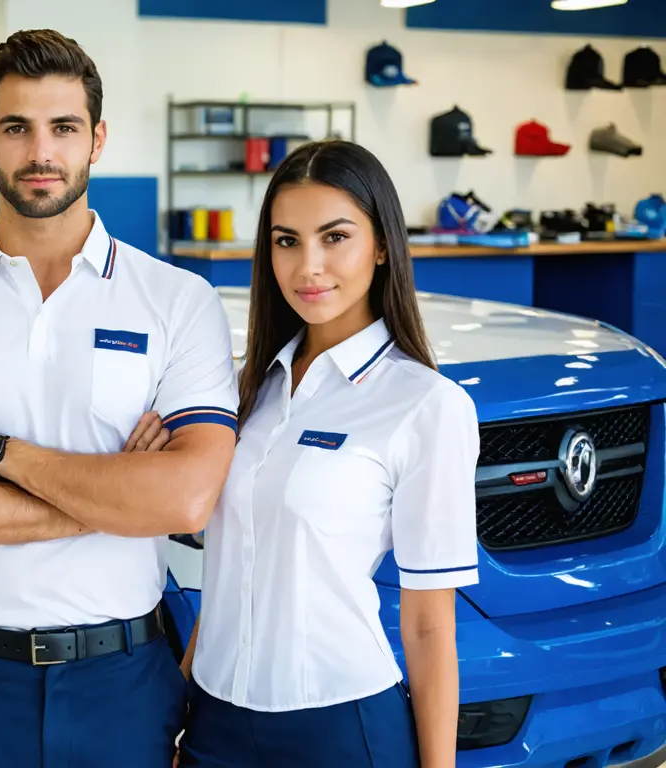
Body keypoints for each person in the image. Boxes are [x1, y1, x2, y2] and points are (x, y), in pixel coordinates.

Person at [0, 28, 240, 768]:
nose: (41, 152)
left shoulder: (177, 300)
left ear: (97, 139)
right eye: (17, 128)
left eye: (63, 128)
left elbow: (186, 500)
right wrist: (115, 497)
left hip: (121, 681)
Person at [176, 139, 481, 768]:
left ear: (381, 246)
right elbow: (230, 571)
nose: (308, 266)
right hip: (214, 721)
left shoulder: (426, 404)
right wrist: (182, 712)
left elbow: (428, 627)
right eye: (287, 241)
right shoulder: (245, 390)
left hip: (339, 729)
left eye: (334, 237)